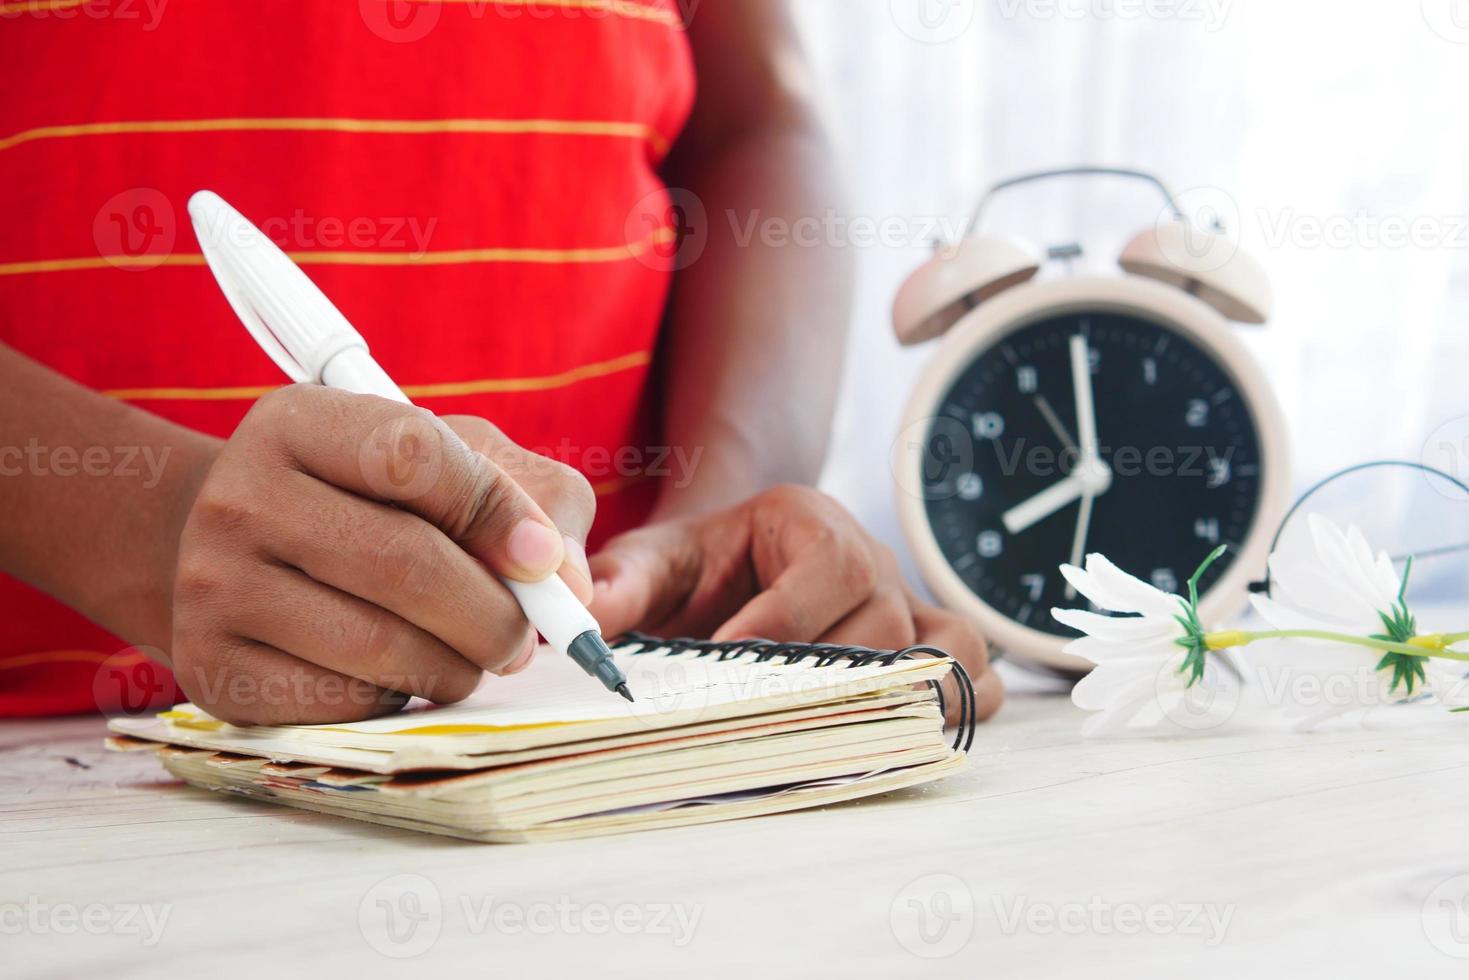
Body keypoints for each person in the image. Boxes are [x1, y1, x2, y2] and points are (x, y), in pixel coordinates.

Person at [0, 0, 1001, 723]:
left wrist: (718, 509)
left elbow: (754, 124)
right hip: (54, 757)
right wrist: (151, 521)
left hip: (579, 715)